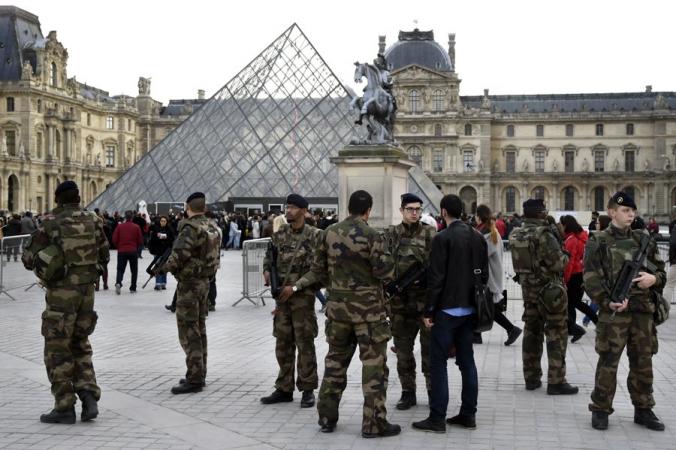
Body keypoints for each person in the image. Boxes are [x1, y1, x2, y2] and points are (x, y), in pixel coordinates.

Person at [304, 190, 400, 438]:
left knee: (335, 363)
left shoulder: (328, 233)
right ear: (368, 210)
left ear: (348, 208)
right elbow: (385, 273)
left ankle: (326, 417)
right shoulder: (372, 236)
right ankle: (373, 423)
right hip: (368, 314)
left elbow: (318, 270)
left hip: (338, 311)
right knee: (373, 367)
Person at [21, 181, 110, 424]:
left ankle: (64, 405)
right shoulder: (93, 220)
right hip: (86, 295)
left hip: (61, 295)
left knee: (57, 348)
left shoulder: (51, 222)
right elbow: (105, 254)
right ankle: (89, 395)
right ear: (79, 198)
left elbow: (28, 258)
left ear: (58, 198)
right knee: (80, 343)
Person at [584, 191, 666, 431]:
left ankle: (643, 408)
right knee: (608, 361)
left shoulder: (643, 239)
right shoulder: (598, 240)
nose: (631, 215)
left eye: (633, 211)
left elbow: (661, 271)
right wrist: (607, 301)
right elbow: (590, 278)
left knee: (643, 361)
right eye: (625, 211)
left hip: (642, 312)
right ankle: (600, 409)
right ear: (612, 212)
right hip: (615, 313)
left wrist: (654, 279)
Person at [412, 194, 486, 433]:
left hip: (446, 310)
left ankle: (437, 418)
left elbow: (436, 278)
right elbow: (483, 276)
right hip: (470, 309)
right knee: (467, 363)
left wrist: (429, 310)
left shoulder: (442, 238)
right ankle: (468, 414)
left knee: (438, 363)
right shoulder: (477, 237)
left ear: (443, 212)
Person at [509, 199, 578, 395]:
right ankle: (556, 380)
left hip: (528, 290)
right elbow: (558, 264)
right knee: (556, 333)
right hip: (550, 292)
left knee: (532, 332)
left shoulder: (516, 233)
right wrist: (564, 250)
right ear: (541, 213)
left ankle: (531, 377)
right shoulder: (544, 234)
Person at [155, 192, 222, 394]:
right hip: (205, 282)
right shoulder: (212, 226)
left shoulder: (190, 228)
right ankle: (199, 372)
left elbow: (179, 255)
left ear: (187, 207)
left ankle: (194, 378)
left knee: (188, 330)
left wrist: (162, 270)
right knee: (199, 328)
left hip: (189, 285)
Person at [260, 194, 322, 408]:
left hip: (302, 300)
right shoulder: (279, 234)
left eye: (294, 208)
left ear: (304, 211)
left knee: (305, 345)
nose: (288, 211)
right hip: (282, 301)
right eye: (287, 207)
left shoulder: (315, 236)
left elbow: (319, 270)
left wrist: (295, 287)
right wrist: (267, 271)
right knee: (283, 344)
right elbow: (270, 258)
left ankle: (307, 389)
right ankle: (284, 388)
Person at [384, 193, 435, 410]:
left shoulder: (430, 234)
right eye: (410, 209)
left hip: (425, 306)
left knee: (430, 353)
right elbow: (383, 266)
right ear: (402, 211)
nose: (414, 213)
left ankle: (434, 392)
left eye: (418, 209)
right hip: (400, 305)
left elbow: (438, 269)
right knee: (403, 352)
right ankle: (408, 392)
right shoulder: (391, 235)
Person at [474, 205, 522, 346]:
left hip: (489, 275)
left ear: (479, 216)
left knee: (488, 306)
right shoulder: (487, 231)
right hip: (490, 274)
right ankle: (476, 334)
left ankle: (512, 329)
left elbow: (482, 254)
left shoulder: (487, 233)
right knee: (483, 304)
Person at [560, 215, 598, 341]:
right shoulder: (581, 237)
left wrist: (565, 279)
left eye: (561, 224)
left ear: (566, 225)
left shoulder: (571, 240)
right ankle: (573, 328)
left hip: (573, 275)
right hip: (580, 273)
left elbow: (569, 261)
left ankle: (576, 328)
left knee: (573, 303)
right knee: (573, 303)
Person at [112, 211, 143, 294]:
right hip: (133, 250)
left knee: (120, 269)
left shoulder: (119, 227)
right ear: (132, 217)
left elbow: (114, 239)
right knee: (134, 270)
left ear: (125, 217)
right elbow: (140, 240)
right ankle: (133, 287)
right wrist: (136, 246)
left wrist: (118, 246)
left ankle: (118, 282)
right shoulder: (136, 227)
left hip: (122, 251)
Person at [148, 216, 175, 290]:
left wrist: (166, 237)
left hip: (166, 251)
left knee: (164, 267)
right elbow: (152, 239)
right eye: (161, 221)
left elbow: (172, 239)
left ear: (166, 222)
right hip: (158, 251)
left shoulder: (169, 229)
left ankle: (163, 283)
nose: (163, 222)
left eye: (164, 221)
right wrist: (158, 237)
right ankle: (158, 283)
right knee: (157, 266)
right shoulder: (156, 229)